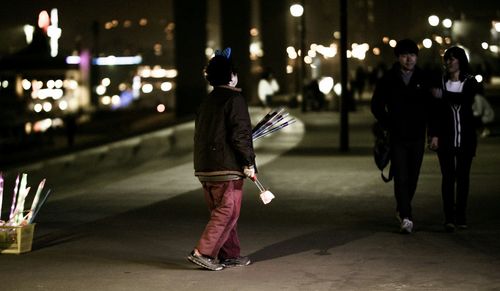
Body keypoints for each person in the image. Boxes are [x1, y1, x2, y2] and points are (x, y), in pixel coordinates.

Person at [187, 47, 256, 271]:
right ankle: (203, 252)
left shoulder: (206, 102)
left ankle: (230, 254)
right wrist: (249, 162)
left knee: (223, 211)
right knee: (228, 211)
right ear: (231, 76)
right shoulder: (235, 100)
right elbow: (241, 135)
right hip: (226, 167)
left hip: (205, 167)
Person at [371, 39, 433, 234]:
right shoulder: (388, 79)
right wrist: (389, 121)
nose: (409, 59)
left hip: (417, 135)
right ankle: (406, 216)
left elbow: (432, 108)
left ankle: (402, 208)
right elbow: (376, 105)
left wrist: (432, 133)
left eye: (413, 55)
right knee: (400, 176)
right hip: (397, 135)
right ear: (398, 57)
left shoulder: (424, 77)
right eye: (405, 55)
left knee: (413, 176)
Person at [428, 46, 480, 232]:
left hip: (466, 139)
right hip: (446, 139)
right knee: (448, 178)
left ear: (461, 61)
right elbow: (434, 112)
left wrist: (443, 95)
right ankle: (449, 217)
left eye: (453, 58)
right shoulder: (440, 81)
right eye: (447, 59)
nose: (449, 62)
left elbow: (465, 99)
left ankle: (461, 216)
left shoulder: (470, 81)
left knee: (463, 178)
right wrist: (433, 135)